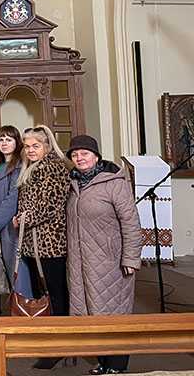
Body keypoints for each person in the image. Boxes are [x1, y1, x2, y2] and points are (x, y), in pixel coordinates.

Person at [66, 135, 142, 375]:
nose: (79, 158)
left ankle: (117, 365)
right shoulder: (74, 183)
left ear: (96, 156)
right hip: (80, 261)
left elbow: (131, 222)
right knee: (91, 312)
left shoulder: (114, 182)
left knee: (114, 312)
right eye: (75, 155)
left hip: (110, 261)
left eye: (84, 153)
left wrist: (131, 258)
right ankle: (103, 360)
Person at [14, 125, 72, 370]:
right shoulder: (32, 167)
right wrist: (21, 217)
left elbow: (50, 205)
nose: (30, 150)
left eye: (35, 146)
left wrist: (22, 219)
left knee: (57, 294)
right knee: (43, 295)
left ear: (47, 146)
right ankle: (49, 339)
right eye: (27, 146)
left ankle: (61, 346)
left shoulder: (53, 167)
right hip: (34, 242)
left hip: (50, 242)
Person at [0, 126, 31, 298]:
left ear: (17, 142)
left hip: (10, 227)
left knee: (17, 274)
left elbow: (13, 199)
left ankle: (24, 309)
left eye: (9, 139)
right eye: (1, 139)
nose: (4, 143)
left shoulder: (19, 166)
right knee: (7, 274)